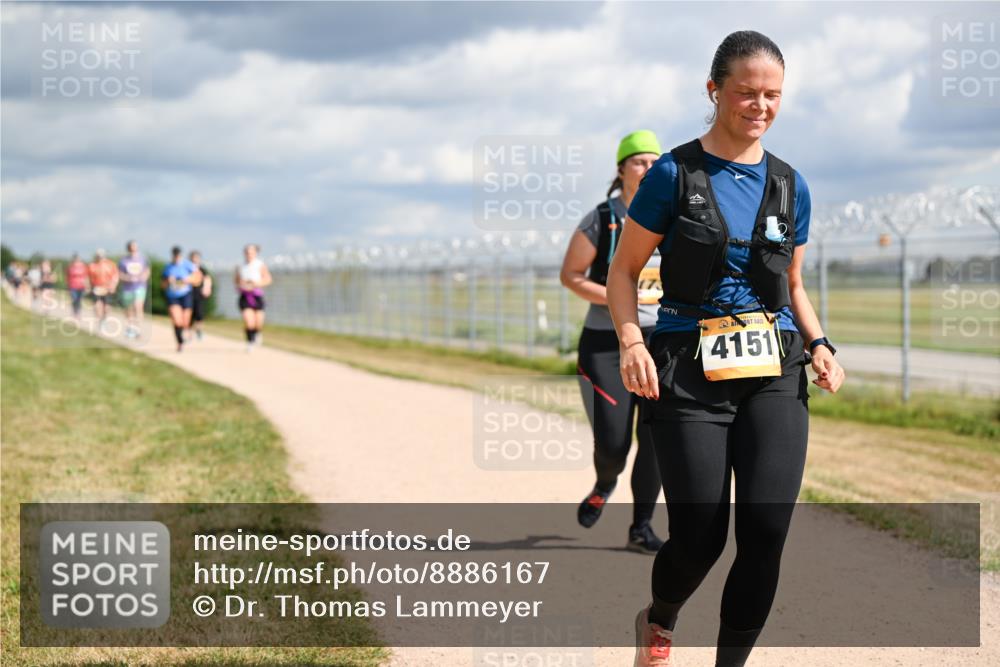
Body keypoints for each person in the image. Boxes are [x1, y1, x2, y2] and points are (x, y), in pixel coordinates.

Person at [606, 32, 846, 667]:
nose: (760, 106)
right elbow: (623, 272)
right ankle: (659, 620)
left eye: (773, 95)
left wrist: (820, 343)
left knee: (765, 532)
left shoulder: (791, 184)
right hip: (688, 369)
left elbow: (793, 284)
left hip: (774, 365)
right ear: (714, 90)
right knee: (700, 537)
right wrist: (631, 340)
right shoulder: (672, 174)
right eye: (746, 92)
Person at [560, 130, 666, 555]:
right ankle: (605, 483)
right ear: (621, 169)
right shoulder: (603, 218)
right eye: (639, 161)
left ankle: (641, 527)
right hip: (606, 342)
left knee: (656, 439)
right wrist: (619, 296)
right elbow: (571, 275)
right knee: (613, 442)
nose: (648, 169)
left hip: (660, 340)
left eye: (655, 162)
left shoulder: (673, 215)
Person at [161, 246, 201, 352]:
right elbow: (163, 285)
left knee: (185, 320)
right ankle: (180, 342)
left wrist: (188, 279)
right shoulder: (168, 267)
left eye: (178, 256)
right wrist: (168, 281)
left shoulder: (188, 265)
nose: (177, 258)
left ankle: (186, 332)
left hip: (186, 295)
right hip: (173, 296)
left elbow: (198, 278)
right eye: (175, 256)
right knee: (176, 320)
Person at [234, 244, 271, 350]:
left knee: (258, 322)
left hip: (257, 295)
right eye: (247, 252)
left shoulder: (260, 265)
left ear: (255, 253)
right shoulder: (240, 266)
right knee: (249, 321)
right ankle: (250, 341)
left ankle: (257, 333)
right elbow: (236, 281)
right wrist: (242, 284)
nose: (249, 255)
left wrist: (256, 284)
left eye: (251, 252)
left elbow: (268, 279)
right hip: (245, 296)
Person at [118, 240, 151, 339]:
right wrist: (128, 278)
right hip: (127, 288)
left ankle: (138, 329)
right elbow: (119, 274)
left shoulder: (143, 259)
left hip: (140, 287)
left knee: (138, 307)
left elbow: (147, 271)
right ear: (128, 248)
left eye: (135, 247)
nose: (133, 249)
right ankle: (131, 327)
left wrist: (143, 277)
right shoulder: (123, 261)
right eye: (131, 247)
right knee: (129, 309)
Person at [87, 249, 119, 327]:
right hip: (96, 288)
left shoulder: (111, 264)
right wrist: (88, 286)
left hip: (107, 288)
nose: (100, 257)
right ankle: (99, 320)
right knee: (97, 305)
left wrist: (113, 286)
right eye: (98, 256)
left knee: (106, 307)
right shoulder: (92, 265)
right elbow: (88, 277)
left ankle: (104, 318)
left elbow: (115, 276)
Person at [188, 250, 212, 340]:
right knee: (190, 314)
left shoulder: (202, 270)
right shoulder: (187, 269)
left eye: (197, 258)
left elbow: (207, 279)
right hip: (189, 294)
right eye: (193, 257)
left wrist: (207, 289)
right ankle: (189, 333)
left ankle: (199, 331)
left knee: (199, 314)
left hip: (199, 295)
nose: (195, 259)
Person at [65, 254, 89, 318]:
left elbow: (86, 277)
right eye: (75, 259)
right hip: (72, 286)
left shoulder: (83, 267)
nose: (77, 261)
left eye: (78, 259)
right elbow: (67, 277)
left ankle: (78, 312)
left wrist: (87, 286)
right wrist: (67, 286)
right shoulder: (70, 267)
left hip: (81, 286)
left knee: (79, 300)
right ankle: (74, 311)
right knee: (74, 299)